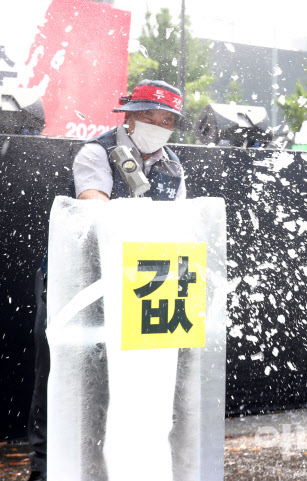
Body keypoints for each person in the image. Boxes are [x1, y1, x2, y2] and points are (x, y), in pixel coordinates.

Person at [27, 79, 190, 481]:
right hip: (80, 283)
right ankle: (47, 468)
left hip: (137, 285)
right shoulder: (96, 152)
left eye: (169, 120)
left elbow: (182, 225)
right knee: (65, 376)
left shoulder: (172, 165)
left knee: (126, 383)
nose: (161, 125)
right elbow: (95, 209)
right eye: (154, 117)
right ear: (131, 116)